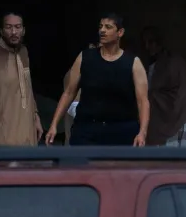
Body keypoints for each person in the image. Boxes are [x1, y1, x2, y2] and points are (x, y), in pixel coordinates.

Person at [47, 13, 150, 147]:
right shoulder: (85, 58)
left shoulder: (133, 63)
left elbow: (143, 101)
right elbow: (68, 93)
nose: (102, 30)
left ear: (120, 32)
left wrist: (142, 132)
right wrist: (54, 124)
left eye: (108, 27)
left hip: (122, 131)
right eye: (101, 26)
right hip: (87, 130)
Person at [0, 12, 42, 146]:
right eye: (9, 27)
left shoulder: (24, 52)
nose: (13, 32)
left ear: (23, 30)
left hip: (27, 129)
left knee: (28, 164)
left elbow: (27, 88)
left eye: (17, 27)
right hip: (1, 130)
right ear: (1, 31)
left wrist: (36, 117)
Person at [143, 27, 186, 147]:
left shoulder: (174, 63)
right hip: (158, 124)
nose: (147, 47)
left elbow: (157, 89)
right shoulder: (150, 64)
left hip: (178, 119)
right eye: (144, 43)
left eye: (150, 42)